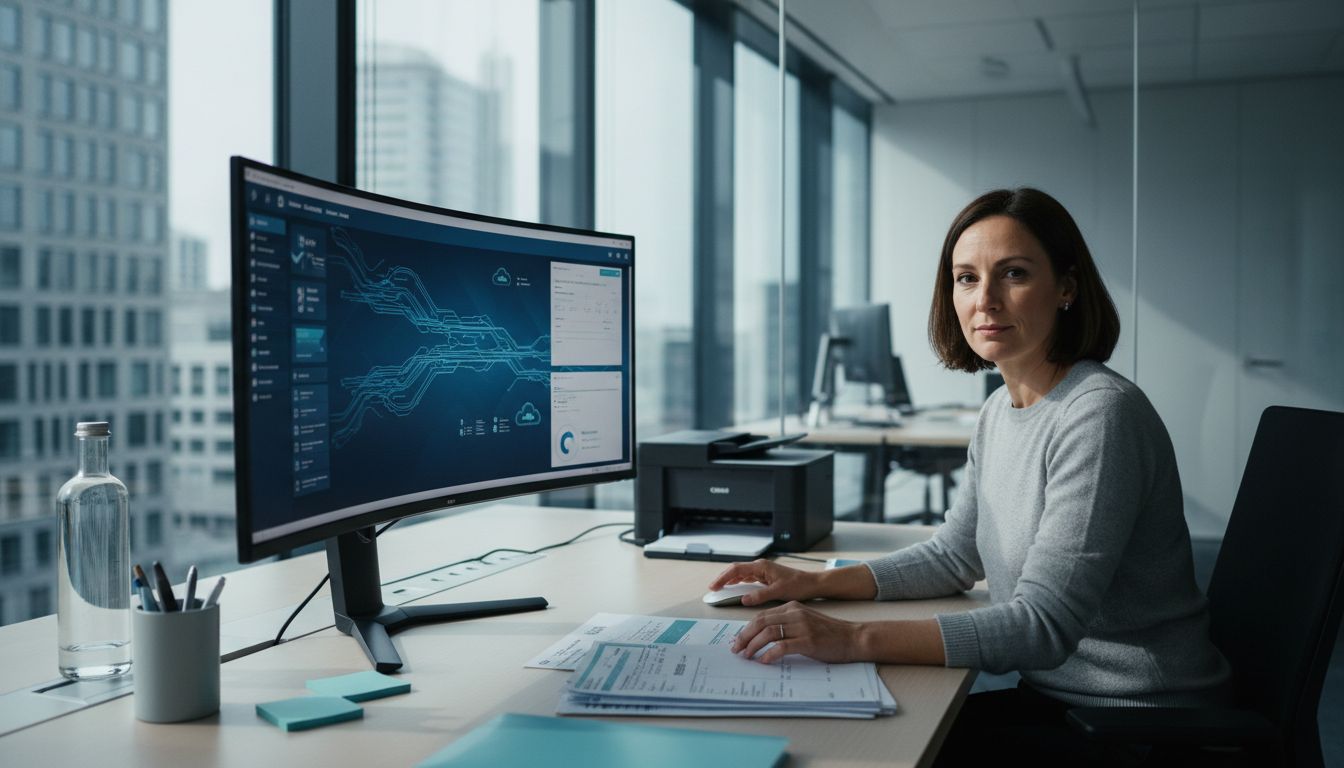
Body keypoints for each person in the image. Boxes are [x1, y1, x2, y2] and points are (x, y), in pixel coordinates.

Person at [709, 188, 1230, 762]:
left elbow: (1041, 626)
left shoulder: (1099, 414)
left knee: (872, 750)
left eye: (1013, 274)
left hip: (1139, 722)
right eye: (966, 278)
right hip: (1064, 700)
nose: (986, 300)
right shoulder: (999, 410)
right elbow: (954, 557)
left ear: (1066, 288)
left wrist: (851, 638)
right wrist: (812, 582)